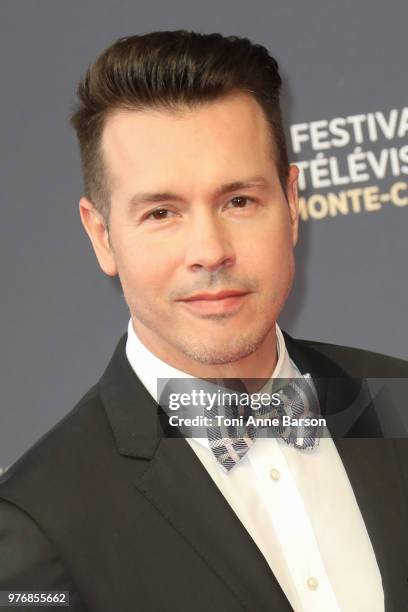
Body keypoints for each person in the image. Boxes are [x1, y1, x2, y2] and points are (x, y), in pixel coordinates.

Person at [0, 31, 407, 612]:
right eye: (162, 212)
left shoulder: (396, 401)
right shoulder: (39, 519)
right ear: (102, 236)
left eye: (238, 201)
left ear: (292, 205)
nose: (209, 250)